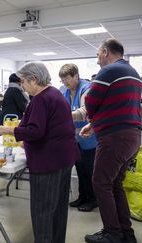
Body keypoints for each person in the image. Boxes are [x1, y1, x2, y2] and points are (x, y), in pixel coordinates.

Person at [0, 61, 79, 243]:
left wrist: (8, 130)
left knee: (42, 211)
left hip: (48, 162)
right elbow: (49, 127)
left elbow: (35, 131)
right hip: (64, 159)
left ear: (33, 79)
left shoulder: (41, 99)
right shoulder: (55, 94)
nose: (22, 87)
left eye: (23, 82)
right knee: (58, 209)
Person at [80, 38, 142, 243]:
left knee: (100, 182)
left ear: (106, 52)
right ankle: (126, 233)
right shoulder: (133, 73)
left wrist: (92, 119)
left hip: (115, 138)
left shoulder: (108, 71)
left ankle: (112, 233)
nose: (97, 60)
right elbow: (119, 108)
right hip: (132, 136)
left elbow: (90, 101)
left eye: (98, 55)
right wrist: (95, 124)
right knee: (115, 183)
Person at [59, 63, 98, 212]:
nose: (65, 83)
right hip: (74, 138)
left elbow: (84, 111)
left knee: (89, 170)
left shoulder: (86, 89)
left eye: (67, 79)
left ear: (76, 76)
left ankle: (93, 199)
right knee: (80, 169)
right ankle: (82, 196)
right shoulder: (66, 92)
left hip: (88, 137)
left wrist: (62, 116)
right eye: (62, 80)